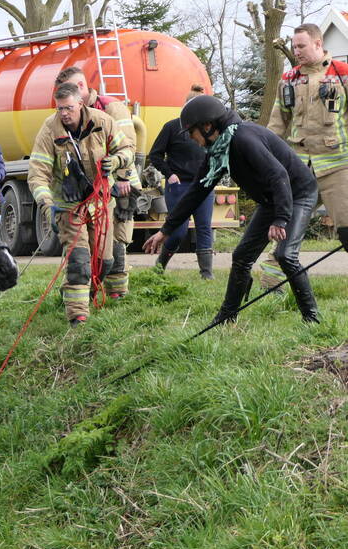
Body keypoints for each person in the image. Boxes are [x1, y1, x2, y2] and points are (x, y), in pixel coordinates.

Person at [143, 95, 320, 324]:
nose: (190, 138)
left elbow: (279, 176)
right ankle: (227, 317)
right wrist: (166, 230)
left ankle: (312, 318)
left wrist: (280, 219)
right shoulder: (219, 150)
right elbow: (196, 192)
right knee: (241, 257)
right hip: (271, 199)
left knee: (285, 255)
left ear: (207, 126)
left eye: (191, 132)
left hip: (297, 193)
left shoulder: (243, 138)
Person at [29, 81, 135, 327]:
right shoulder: (49, 130)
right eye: (60, 109)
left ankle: (82, 294)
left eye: (68, 108)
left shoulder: (102, 121)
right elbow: (37, 174)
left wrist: (117, 161)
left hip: (100, 204)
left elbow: (128, 148)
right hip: (67, 208)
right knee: (78, 259)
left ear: (80, 103)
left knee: (104, 260)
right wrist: (47, 206)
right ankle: (78, 317)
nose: (64, 114)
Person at [262, 23, 348, 291]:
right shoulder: (288, 80)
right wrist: (264, 159)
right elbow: (276, 125)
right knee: (284, 230)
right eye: (294, 46)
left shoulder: (343, 74)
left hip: (338, 167)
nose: (296, 51)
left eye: (301, 46)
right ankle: (270, 288)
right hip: (299, 170)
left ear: (318, 43)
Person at [55, 66, 140, 298]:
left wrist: (122, 179)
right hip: (96, 188)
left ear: (81, 87)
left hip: (121, 183)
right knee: (94, 242)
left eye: (71, 88)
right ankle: (91, 289)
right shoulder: (77, 112)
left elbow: (128, 146)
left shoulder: (111, 107)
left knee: (117, 240)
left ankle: (117, 295)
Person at [147, 84, 216, 279]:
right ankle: (160, 265)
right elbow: (155, 155)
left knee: (204, 227)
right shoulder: (172, 127)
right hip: (179, 186)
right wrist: (169, 174)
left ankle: (206, 274)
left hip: (203, 186)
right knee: (178, 231)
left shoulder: (209, 130)